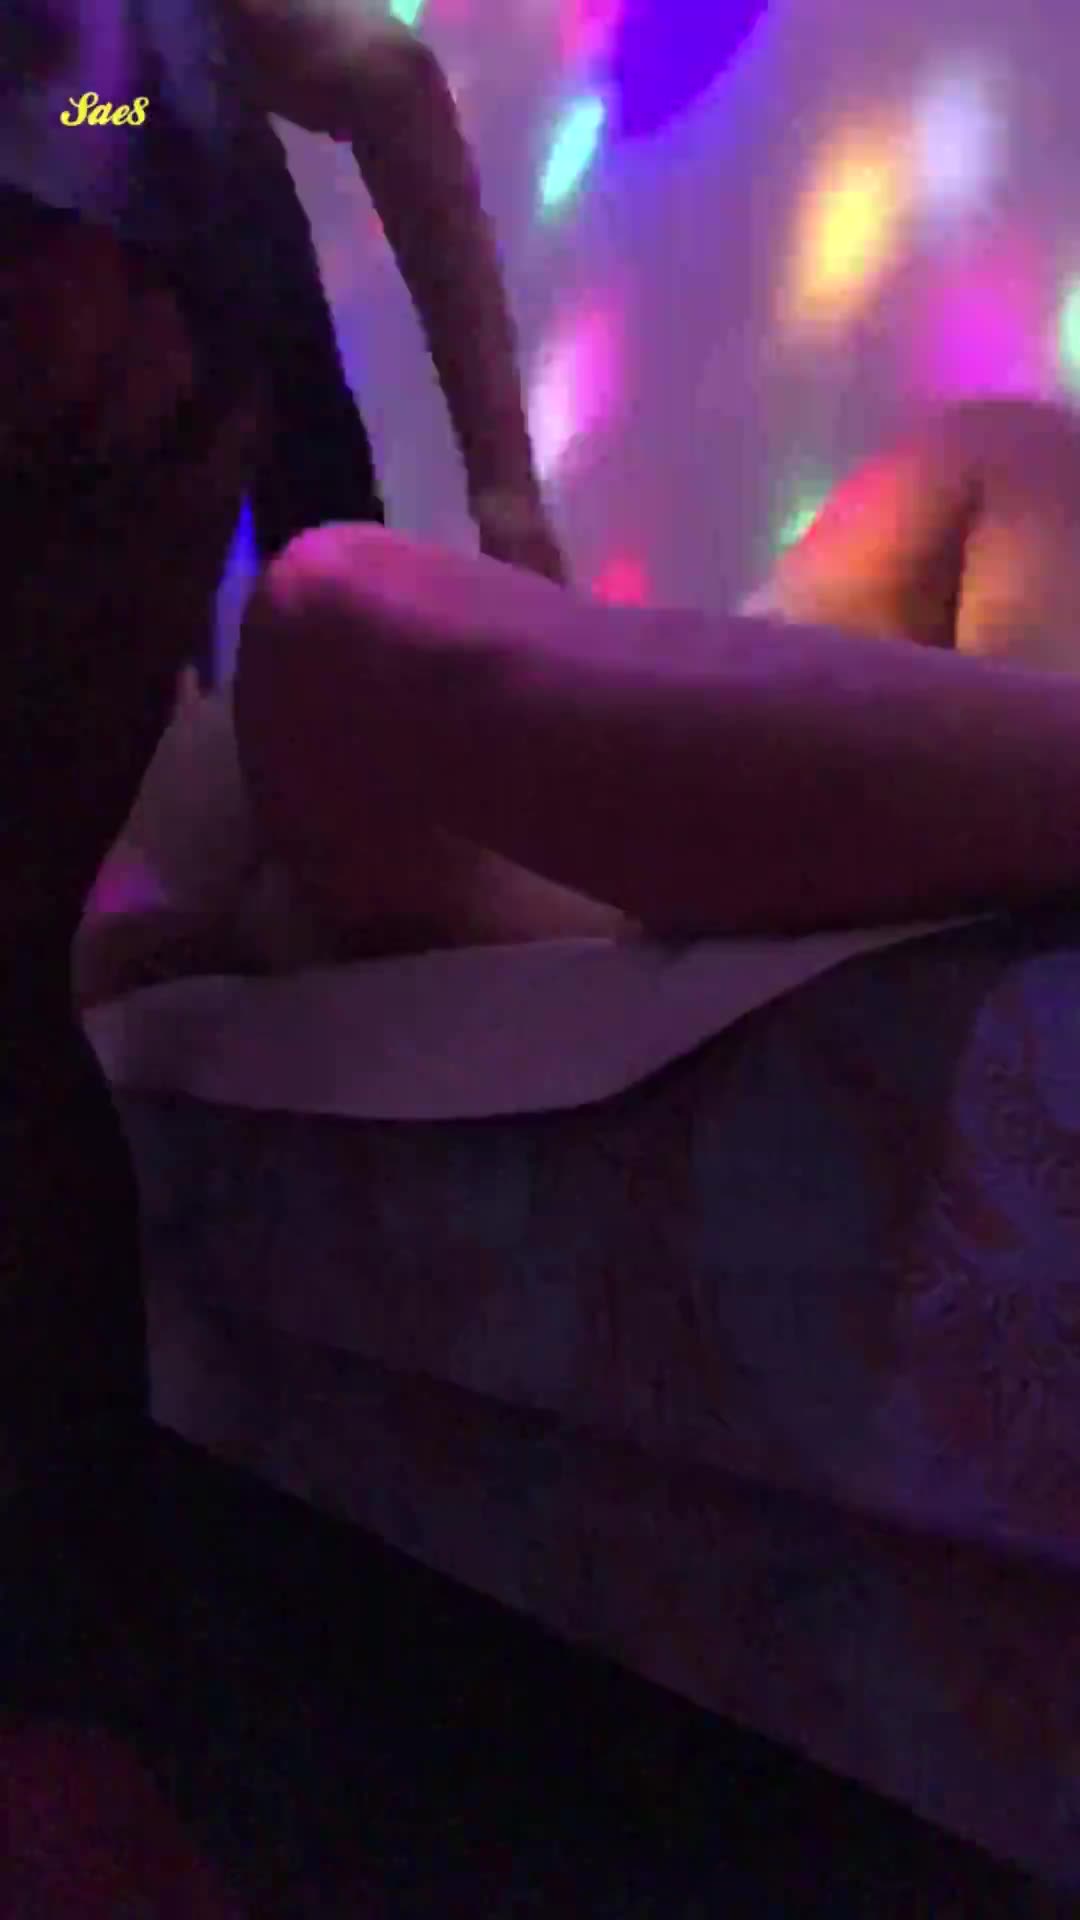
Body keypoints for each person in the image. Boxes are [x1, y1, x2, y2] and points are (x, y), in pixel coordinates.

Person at [76, 393, 1080, 1014]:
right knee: (331, 606)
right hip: (468, 851)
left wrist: (510, 515)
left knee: (994, 447)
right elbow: (120, 951)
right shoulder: (129, 725)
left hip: (656, 759)